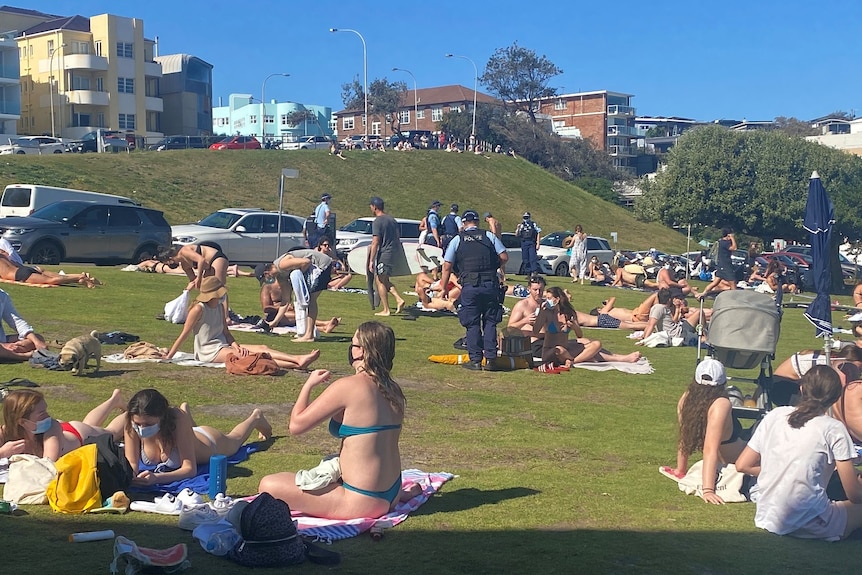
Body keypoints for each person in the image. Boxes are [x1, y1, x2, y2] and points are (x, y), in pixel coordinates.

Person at [258, 321, 419, 519]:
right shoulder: (394, 391)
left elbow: (297, 426)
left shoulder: (349, 386)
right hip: (391, 494)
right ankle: (402, 495)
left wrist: (308, 385)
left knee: (269, 485)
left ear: (362, 352)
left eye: (353, 344)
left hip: (362, 501)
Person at [735, 366, 862, 541]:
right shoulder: (833, 428)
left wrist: (779, 470)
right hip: (808, 521)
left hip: (767, 515)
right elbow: (854, 494)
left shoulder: (775, 415)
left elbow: (743, 465)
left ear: (801, 388)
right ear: (835, 396)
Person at [123, 388, 272, 486]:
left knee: (235, 439)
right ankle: (189, 420)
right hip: (188, 434)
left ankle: (256, 418)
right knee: (186, 429)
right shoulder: (131, 422)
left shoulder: (175, 419)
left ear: (161, 417)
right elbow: (132, 462)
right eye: (138, 424)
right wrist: (131, 476)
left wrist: (157, 478)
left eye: (148, 424)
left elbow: (190, 469)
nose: (142, 429)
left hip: (209, 442)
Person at [164, 276, 319, 369]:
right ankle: (296, 362)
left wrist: (236, 345)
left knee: (262, 348)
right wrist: (170, 355)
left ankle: (296, 358)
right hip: (208, 351)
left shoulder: (218, 307)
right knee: (253, 356)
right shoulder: (198, 309)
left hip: (223, 345)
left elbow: (226, 333)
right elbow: (184, 334)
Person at [659, 358, 747, 505]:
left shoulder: (686, 398)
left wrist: (680, 470)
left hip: (730, 458)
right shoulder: (721, 404)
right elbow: (710, 449)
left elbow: (684, 436)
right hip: (740, 459)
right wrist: (708, 490)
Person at [440, 210, 508, 371]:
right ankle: (491, 360)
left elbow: (447, 265)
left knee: (472, 324)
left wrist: (443, 287)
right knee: (490, 322)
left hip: (470, 286)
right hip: (490, 284)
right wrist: (493, 267)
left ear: (463, 223)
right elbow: (504, 256)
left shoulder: (458, 239)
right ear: (477, 222)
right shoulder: (488, 236)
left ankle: (476, 360)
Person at [0, 388, 126, 461]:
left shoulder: (51, 427)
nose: (48, 416)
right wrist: (3, 452)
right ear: (22, 422)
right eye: (42, 413)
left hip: (78, 435)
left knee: (112, 433)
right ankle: (114, 400)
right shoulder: (6, 431)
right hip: (66, 433)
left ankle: (131, 413)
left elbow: (49, 463)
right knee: (88, 424)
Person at [533, 287, 641, 368]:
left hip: (567, 348)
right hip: (552, 352)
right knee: (560, 350)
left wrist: (575, 326)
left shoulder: (568, 314)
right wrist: (541, 313)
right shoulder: (547, 313)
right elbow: (535, 331)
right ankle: (621, 359)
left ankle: (573, 361)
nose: (546, 301)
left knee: (596, 344)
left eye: (549, 298)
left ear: (557, 299)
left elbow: (579, 335)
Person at [265, 247, 334, 341]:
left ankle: (309, 336)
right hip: (315, 268)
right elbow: (285, 301)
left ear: (266, 273)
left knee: (310, 300)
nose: (269, 280)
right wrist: (274, 322)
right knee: (306, 300)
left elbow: (306, 262)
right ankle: (310, 333)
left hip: (322, 265)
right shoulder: (281, 277)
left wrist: (300, 277)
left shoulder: (281, 264)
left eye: (266, 278)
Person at [255, 263, 341, 333]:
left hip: (288, 312)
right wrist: (280, 308)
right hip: (275, 315)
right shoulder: (267, 288)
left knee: (300, 315)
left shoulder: (287, 284)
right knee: (297, 317)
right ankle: (324, 324)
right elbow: (266, 308)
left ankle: (324, 327)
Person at [770, 345, 862, 406]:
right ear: (836, 359)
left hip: (797, 382)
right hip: (782, 386)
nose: (850, 374)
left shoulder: (834, 361)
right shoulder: (822, 363)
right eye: (845, 368)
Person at [367, 196, 406, 316]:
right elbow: (397, 237)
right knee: (385, 279)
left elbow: (375, 241)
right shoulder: (392, 220)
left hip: (385, 254)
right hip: (393, 252)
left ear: (374, 207)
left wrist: (371, 261)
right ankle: (399, 300)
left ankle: (386, 309)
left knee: (379, 280)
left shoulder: (377, 222)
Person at [0, 252, 100, 288]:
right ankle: (81, 278)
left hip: (18, 274)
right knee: (55, 276)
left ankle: (79, 276)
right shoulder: (2, 255)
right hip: (22, 268)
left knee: (51, 281)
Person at [0, 288, 48, 362]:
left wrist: (37, 342)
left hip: (3, 340)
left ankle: (9, 351)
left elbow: (16, 321)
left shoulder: (2, 295)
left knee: (38, 338)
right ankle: (24, 356)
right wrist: (3, 345)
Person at [508, 275, 546, 360]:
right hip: (533, 343)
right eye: (535, 290)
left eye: (541, 290)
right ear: (529, 289)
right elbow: (509, 328)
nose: (538, 292)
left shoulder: (546, 305)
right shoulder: (522, 305)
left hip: (547, 340)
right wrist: (525, 321)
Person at [700, 228, 737, 299]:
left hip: (722, 265)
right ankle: (734, 298)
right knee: (733, 284)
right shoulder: (724, 242)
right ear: (728, 234)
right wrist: (732, 238)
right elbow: (734, 248)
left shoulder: (723, 242)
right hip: (725, 266)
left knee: (715, 282)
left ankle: (703, 293)